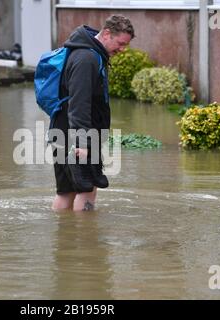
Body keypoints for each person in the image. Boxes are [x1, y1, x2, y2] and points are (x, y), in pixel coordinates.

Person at [50, 15, 135, 211]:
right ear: (106, 34)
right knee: (86, 190)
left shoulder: (86, 53)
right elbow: (79, 104)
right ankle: (85, 239)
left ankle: (65, 238)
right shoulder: (87, 58)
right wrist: (84, 144)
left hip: (63, 131)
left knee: (66, 191)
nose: (122, 49)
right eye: (120, 43)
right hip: (78, 136)